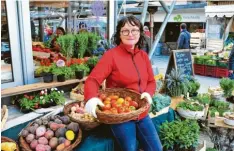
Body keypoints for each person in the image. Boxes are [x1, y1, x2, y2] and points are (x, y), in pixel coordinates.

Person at [84, 15, 162, 151]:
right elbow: (93, 80)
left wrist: (149, 93)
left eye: (134, 30)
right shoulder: (111, 56)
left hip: (141, 112)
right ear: (119, 34)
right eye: (125, 30)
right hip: (119, 115)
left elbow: (151, 81)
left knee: (156, 148)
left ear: (140, 33)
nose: (130, 34)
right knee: (129, 148)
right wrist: (91, 98)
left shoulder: (143, 56)